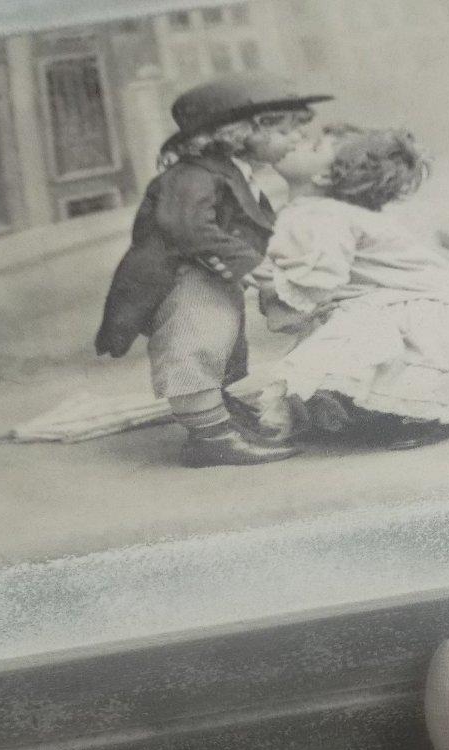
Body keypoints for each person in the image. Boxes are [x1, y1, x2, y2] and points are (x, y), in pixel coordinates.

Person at [235, 125, 449, 449]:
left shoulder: (326, 216)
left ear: (325, 177)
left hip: (430, 312)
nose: (297, 140)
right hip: (411, 305)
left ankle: (415, 411)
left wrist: (256, 273)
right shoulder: (311, 211)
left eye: (313, 147)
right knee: (334, 365)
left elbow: (317, 283)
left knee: (351, 355)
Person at [94, 74, 331, 467]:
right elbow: (185, 226)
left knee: (221, 344)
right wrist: (249, 264)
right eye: (285, 131)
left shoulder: (230, 171)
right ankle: (209, 437)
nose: (295, 139)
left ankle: (217, 415)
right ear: (241, 132)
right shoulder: (192, 175)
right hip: (180, 278)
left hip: (207, 275)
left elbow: (249, 227)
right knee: (195, 346)